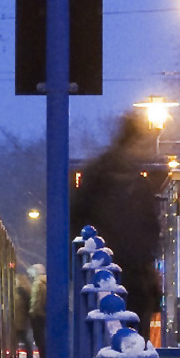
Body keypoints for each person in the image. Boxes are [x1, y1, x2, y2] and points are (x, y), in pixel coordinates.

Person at [72, 114, 164, 338]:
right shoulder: (124, 182)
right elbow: (149, 231)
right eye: (143, 143)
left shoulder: (105, 176)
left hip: (116, 276)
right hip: (114, 276)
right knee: (127, 341)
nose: (146, 151)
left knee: (117, 342)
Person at [12, 273, 40, 358]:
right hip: (23, 320)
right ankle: (29, 357)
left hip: (19, 320)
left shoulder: (20, 291)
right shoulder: (26, 291)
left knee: (22, 338)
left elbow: (19, 306)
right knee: (24, 338)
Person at [27, 265, 48, 358]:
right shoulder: (45, 283)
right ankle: (44, 357)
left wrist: (32, 312)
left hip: (38, 314)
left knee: (39, 337)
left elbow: (35, 300)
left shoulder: (38, 283)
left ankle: (43, 357)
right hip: (43, 314)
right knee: (42, 336)